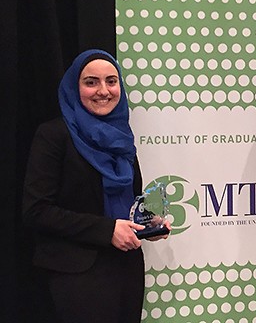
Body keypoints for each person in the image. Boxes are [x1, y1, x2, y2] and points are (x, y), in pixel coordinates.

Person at [22, 49, 170, 323]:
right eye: (91, 82)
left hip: (125, 267)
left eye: (111, 81)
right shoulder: (54, 135)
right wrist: (107, 230)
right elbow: (37, 210)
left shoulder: (121, 137)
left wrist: (149, 224)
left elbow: (129, 199)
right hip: (76, 272)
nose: (103, 90)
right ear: (74, 87)